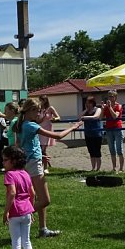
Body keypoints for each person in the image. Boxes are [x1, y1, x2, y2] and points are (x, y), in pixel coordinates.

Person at [14, 97, 83, 237]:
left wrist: (39, 156)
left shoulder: (20, 125)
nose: (39, 114)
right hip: (33, 164)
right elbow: (57, 136)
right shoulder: (30, 125)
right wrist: (73, 127)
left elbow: (19, 145)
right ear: (31, 110)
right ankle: (19, 215)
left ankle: (42, 229)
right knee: (45, 200)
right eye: (37, 111)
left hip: (30, 161)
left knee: (39, 198)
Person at [1, 146, 37, 249]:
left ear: (14, 161)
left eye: (5, 160)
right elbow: (32, 193)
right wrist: (31, 209)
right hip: (27, 211)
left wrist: (6, 212)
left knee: (16, 241)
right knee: (26, 240)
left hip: (15, 212)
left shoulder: (9, 175)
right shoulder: (26, 174)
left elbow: (12, 193)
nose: (3, 163)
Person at [101, 90, 124, 173]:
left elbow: (115, 116)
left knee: (119, 150)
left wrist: (110, 107)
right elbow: (100, 118)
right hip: (109, 129)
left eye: (112, 96)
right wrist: (103, 109)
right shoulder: (106, 106)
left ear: (115, 97)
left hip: (117, 129)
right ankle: (114, 167)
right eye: (109, 96)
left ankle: (121, 168)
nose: (110, 98)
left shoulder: (119, 106)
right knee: (111, 149)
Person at [37, 95, 60, 173]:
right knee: (39, 148)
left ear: (45, 100)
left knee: (43, 148)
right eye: (39, 100)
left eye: (41, 100)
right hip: (39, 129)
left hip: (47, 129)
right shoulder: (39, 109)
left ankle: (45, 167)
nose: (40, 102)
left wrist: (54, 118)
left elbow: (58, 117)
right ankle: (40, 166)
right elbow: (37, 120)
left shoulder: (50, 108)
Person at [80, 96, 104, 171]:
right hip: (88, 134)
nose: (87, 104)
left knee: (97, 151)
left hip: (96, 133)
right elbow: (79, 117)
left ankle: (98, 168)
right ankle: (93, 168)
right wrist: (86, 111)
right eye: (86, 103)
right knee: (91, 151)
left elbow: (96, 117)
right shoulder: (86, 111)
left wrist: (85, 117)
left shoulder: (98, 109)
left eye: (89, 103)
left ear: (92, 103)